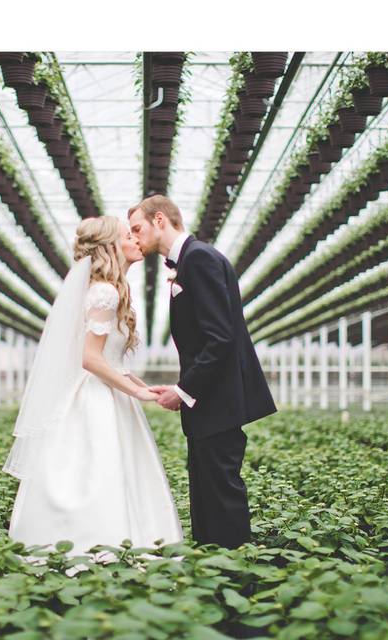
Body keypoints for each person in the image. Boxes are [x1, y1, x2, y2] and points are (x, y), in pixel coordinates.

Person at [4, 215, 183, 567]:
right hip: (96, 398)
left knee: (105, 470)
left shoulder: (105, 288)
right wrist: (138, 395)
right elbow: (90, 359)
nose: (135, 240)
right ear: (110, 247)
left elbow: (110, 361)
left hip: (104, 391)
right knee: (102, 469)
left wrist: (138, 384)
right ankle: (102, 546)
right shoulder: (105, 291)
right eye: (127, 235)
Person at [128, 194, 276, 550]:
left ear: (160, 220)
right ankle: (213, 563)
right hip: (211, 404)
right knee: (207, 488)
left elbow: (220, 338)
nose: (134, 238)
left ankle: (234, 568)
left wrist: (183, 390)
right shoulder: (191, 261)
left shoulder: (199, 260)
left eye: (137, 228)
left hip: (218, 402)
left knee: (220, 491)